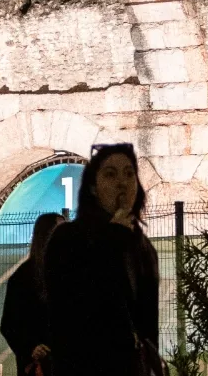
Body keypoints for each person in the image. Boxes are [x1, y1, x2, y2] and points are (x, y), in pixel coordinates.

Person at [43, 144, 160, 376]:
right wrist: (112, 238)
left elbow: (147, 324)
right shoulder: (68, 238)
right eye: (110, 174)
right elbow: (75, 305)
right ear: (93, 188)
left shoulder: (142, 248)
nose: (122, 183)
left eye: (129, 174)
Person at [0, 213, 64, 376]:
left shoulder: (67, 273)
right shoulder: (23, 277)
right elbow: (9, 324)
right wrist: (30, 348)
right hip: (39, 365)